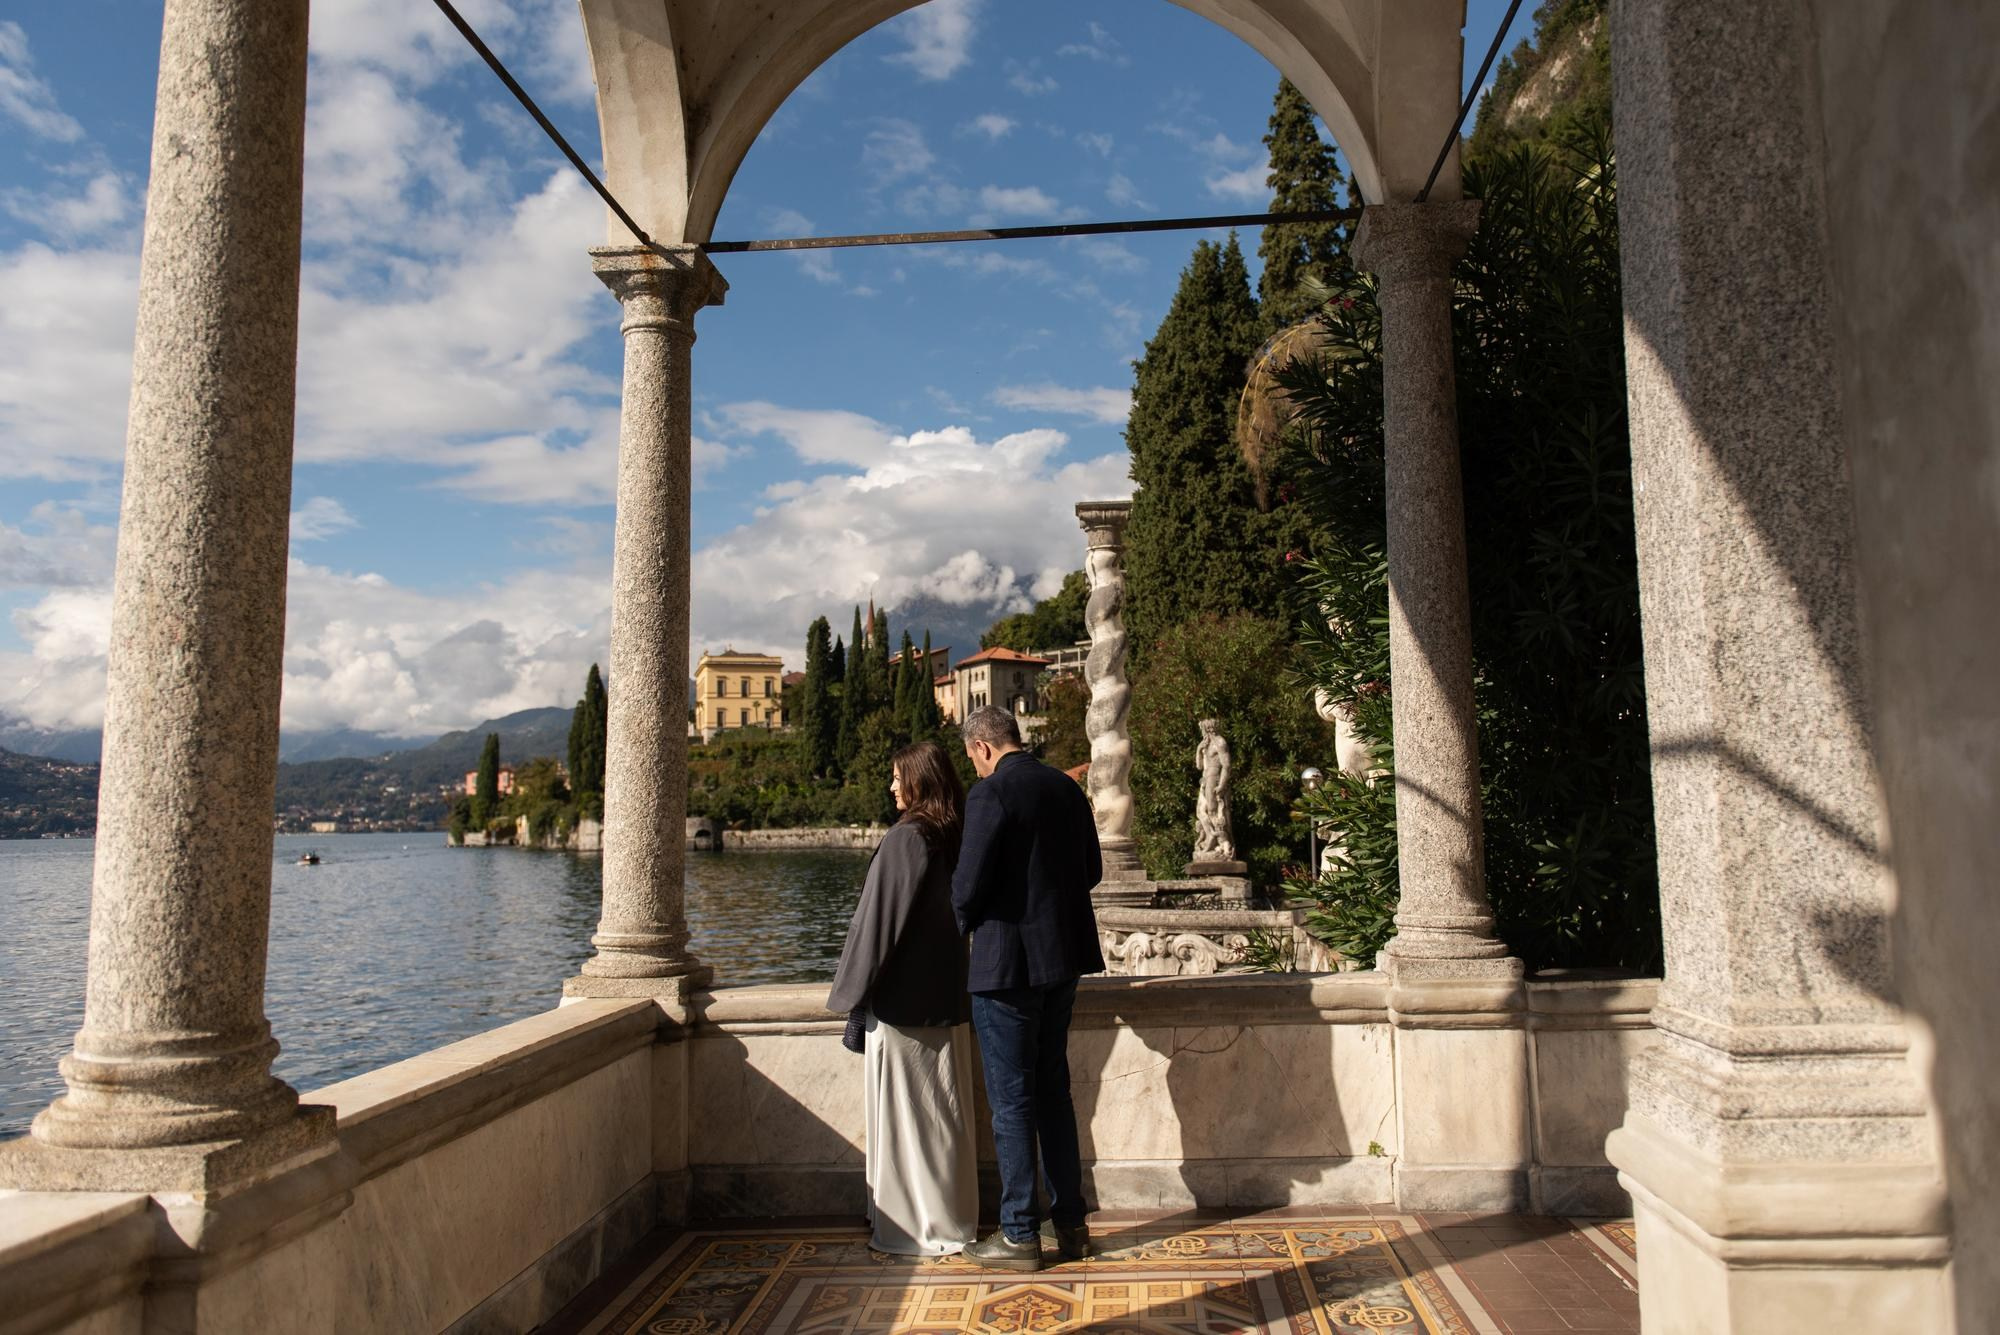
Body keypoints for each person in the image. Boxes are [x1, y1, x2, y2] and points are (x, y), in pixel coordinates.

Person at [951, 705, 1104, 1271]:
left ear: (983, 748)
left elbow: (966, 887)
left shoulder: (990, 795)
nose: (975, 768)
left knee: (1012, 1102)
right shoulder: (1065, 788)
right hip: (1061, 962)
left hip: (1006, 967)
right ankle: (1071, 1225)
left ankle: (1018, 1232)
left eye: (973, 759)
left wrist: (969, 927)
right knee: (1053, 1095)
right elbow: (1092, 870)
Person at [826, 740, 979, 1255]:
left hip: (904, 1004)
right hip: (948, 997)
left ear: (919, 780)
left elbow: (875, 926)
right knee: (943, 1118)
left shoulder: (907, 838)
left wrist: (852, 992)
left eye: (898, 777)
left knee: (910, 1123)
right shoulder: (953, 837)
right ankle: (952, 1220)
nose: (892, 786)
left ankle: (916, 1228)